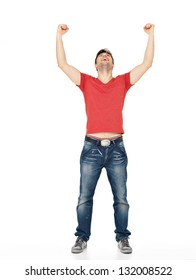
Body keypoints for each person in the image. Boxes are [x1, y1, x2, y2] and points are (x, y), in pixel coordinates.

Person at [56, 23, 154, 254]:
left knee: (121, 198)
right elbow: (62, 64)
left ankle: (123, 238)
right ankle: (82, 237)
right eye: (101, 55)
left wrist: (151, 35)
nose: (104, 57)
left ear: (112, 62)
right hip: (91, 148)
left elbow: (147, 63)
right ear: (96, 63)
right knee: (84, 198)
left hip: (117, 150)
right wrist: (59, 36)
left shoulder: (122, 82)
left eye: (108, 55)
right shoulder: (87, 82)